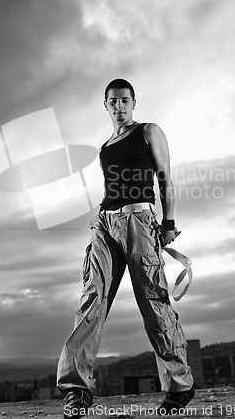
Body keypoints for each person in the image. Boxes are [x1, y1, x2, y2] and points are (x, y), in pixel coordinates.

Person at [57, 78, 194, 417]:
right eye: (113, 102)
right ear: (105, 106)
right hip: (104, 223)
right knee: (92, 299)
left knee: (153, 301)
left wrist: (169, 222)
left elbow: (164, 178)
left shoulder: (148, 131)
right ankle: (77, 388)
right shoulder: (105, 147)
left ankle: (179, 385)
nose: (119, 107)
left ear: (133, 103)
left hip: (139, 221)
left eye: (124, 101)